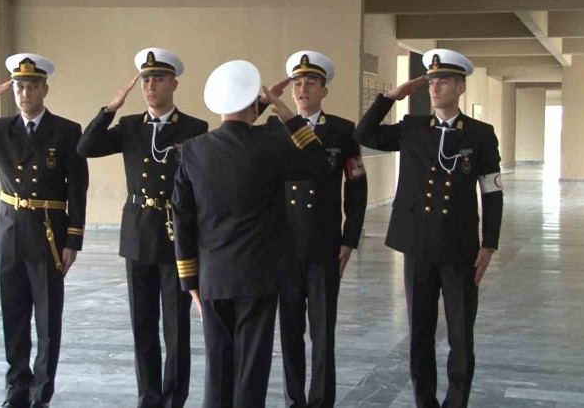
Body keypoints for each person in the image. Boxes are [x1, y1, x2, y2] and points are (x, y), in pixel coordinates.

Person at [172, 60, 329, 407]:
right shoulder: (271, 144)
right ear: (253, 106)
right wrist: (285, 112)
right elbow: (319, 162)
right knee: (250, 369)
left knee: (217, 366)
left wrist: (190, 280)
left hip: (212, 276)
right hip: (258, 276)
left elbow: (181, 216)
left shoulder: (194, 149)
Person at [352, 49, 503, 408]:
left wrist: (490, 243)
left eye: (443, 81)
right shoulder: (412, 127)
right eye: (432, 82)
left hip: (460, 248)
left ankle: (456, 402)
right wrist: (391, 97)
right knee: (420, 332)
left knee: (460, 334)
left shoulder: (480, 134)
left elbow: (492, 191)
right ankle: (425, 402)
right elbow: (364, 133)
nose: (434, 88)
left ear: (460, 87)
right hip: (418, 245)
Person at [0, 53, 89, 408]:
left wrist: (73, 239)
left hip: (48, 236)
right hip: (9, 235)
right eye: (20, 87)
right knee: (13, 318)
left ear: (44, 89)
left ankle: (42, 393)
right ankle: (17, 388)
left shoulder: (66, 131)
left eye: (32, 86)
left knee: (48, 321)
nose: (25, 93)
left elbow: (77, 189)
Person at [76, 47, 207, 408]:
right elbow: (85, 147)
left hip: (176, 235)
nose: (150, 86)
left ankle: (174, 399)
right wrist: (110, 108)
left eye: (158, 79)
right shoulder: (130, 125)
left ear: (173, 83)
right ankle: (148, 397)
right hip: (138, 233)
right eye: (146, 80)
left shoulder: (194, 129)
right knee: (143, 325)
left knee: (176, 327)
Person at [262, 51, 367, 408]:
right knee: (290, 332)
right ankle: (295, 400)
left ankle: (321, 401)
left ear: (324, 90)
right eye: (297, 83)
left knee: (322, 334)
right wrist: (265, 101)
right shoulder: (273, 127)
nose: (303, 89)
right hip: (284, 245)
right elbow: (238, 129)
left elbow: (356, 186)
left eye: (310, 83)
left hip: (324, 244)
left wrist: (350, 239)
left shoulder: (341, 130)